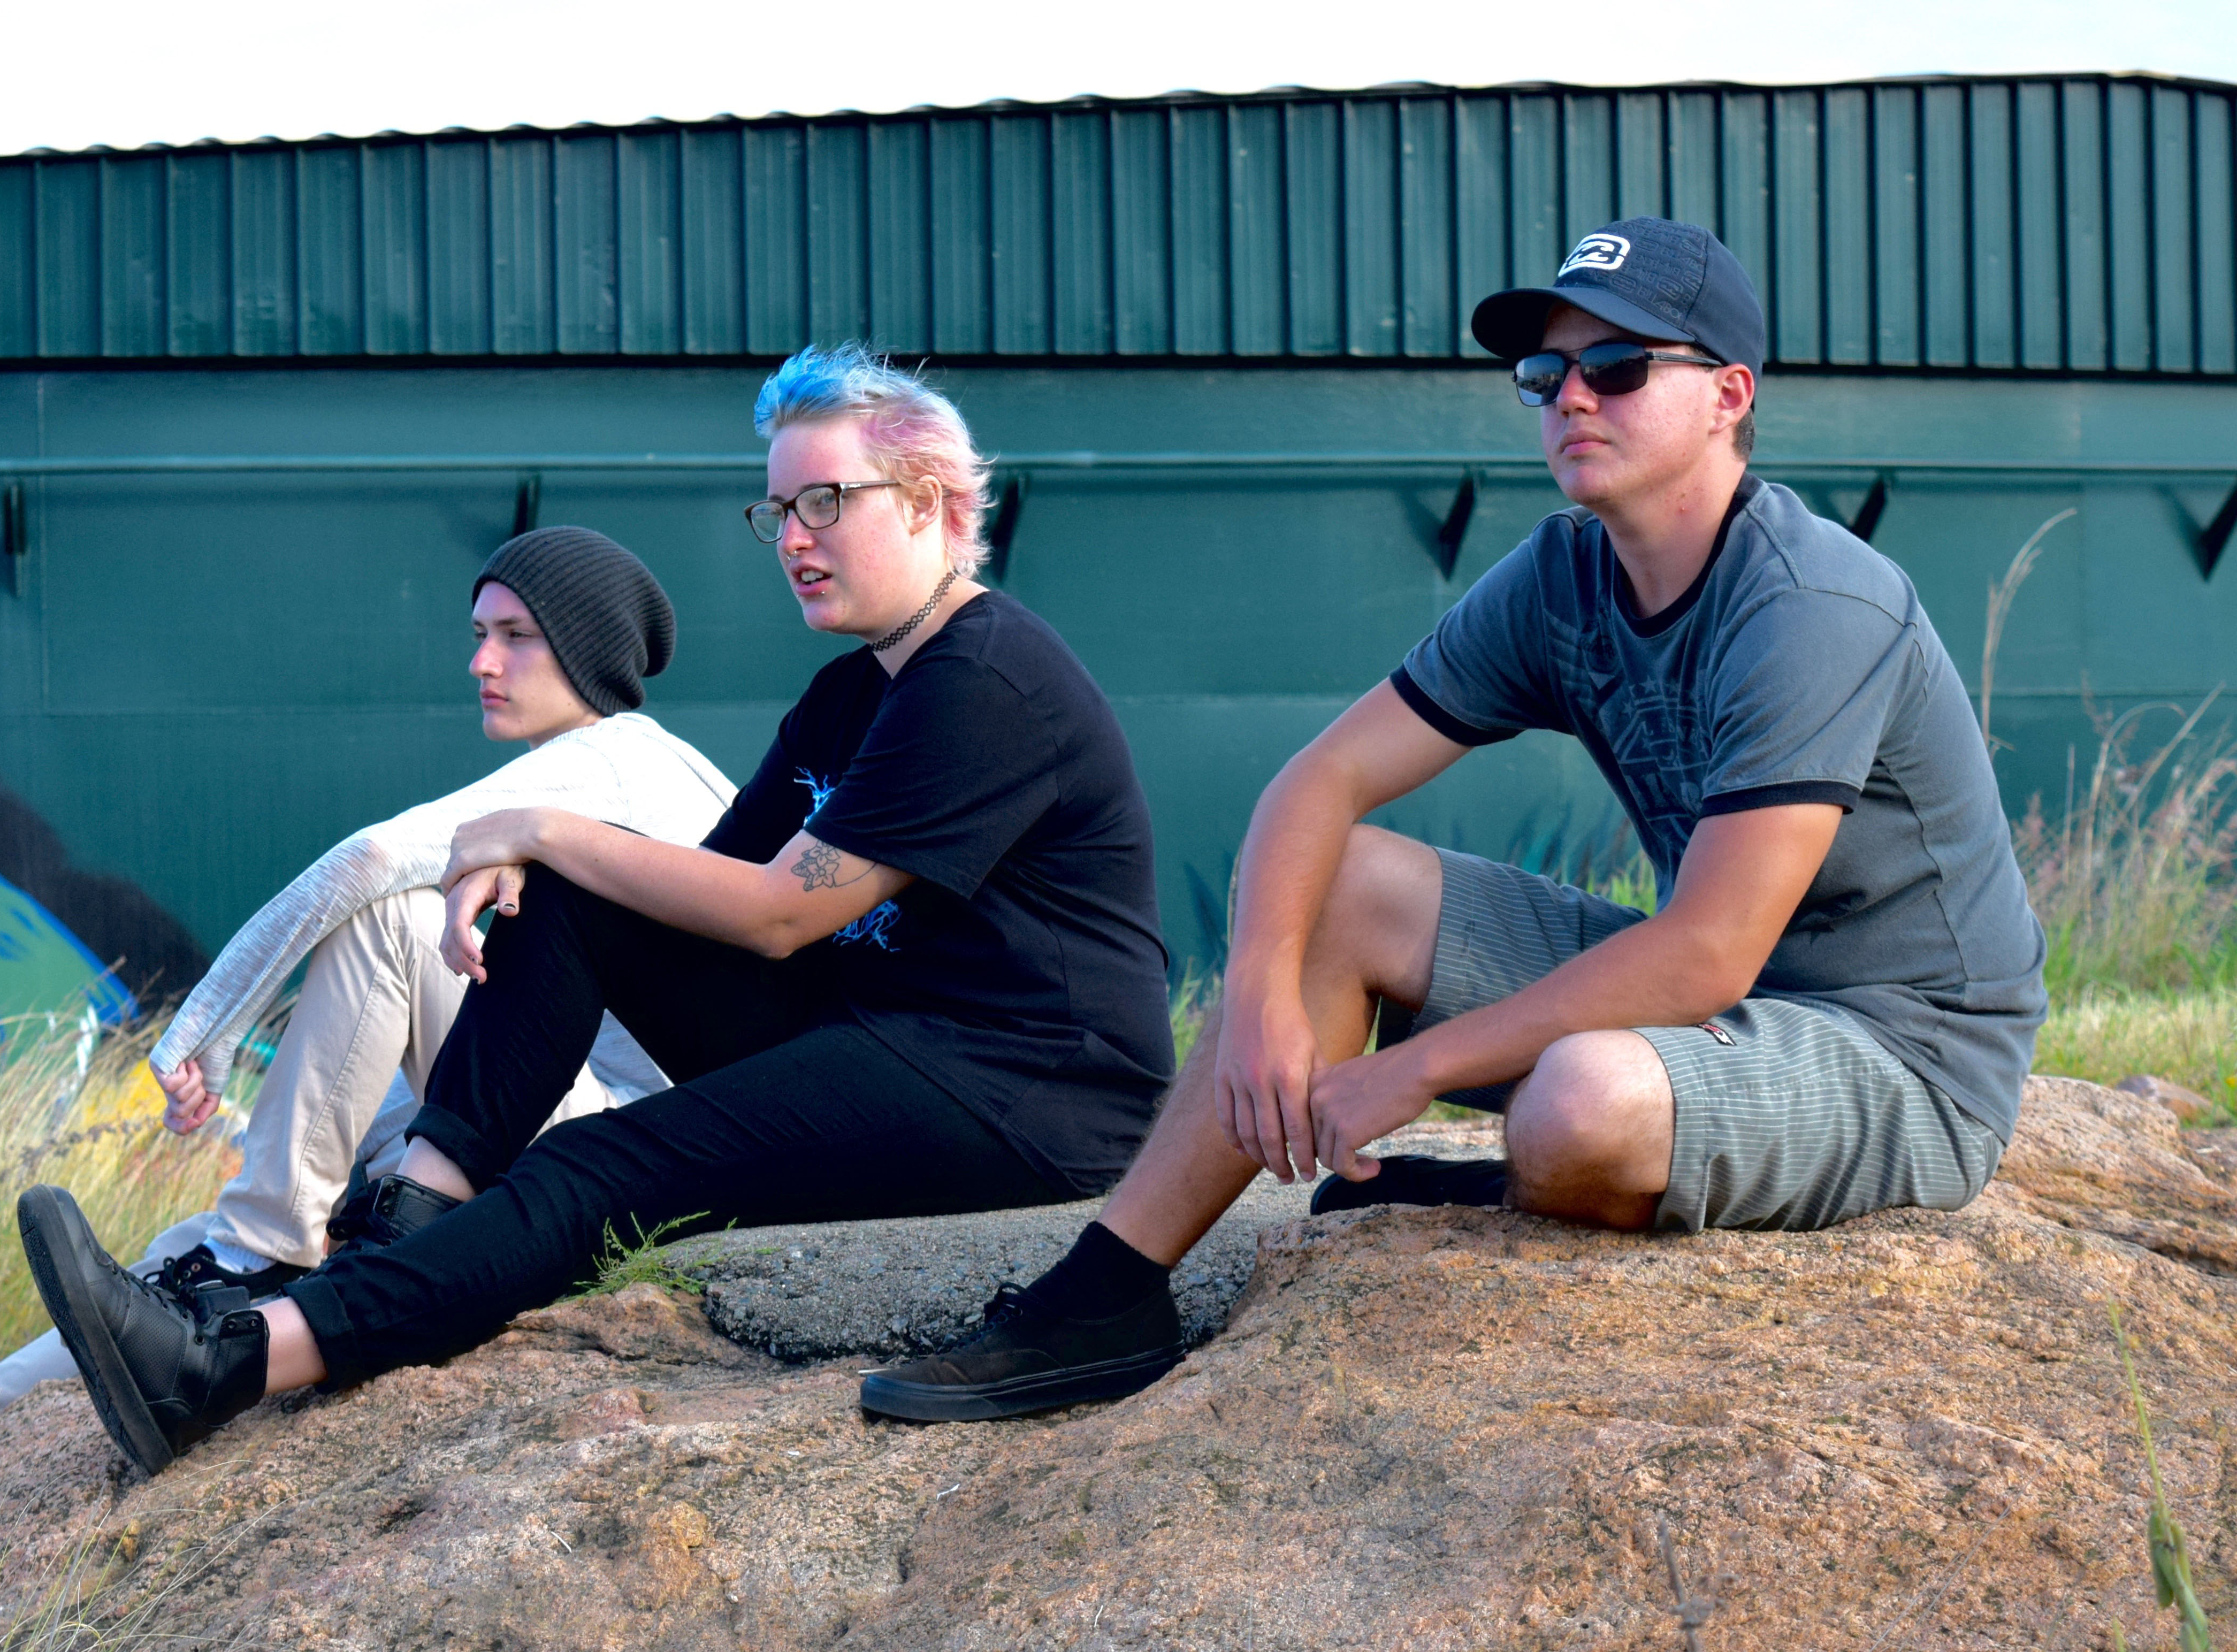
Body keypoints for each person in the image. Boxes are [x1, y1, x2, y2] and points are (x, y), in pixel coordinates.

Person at [861, 216, 2050, 1424]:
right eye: (1546, 375)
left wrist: (1409, 1072)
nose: (1571, 397)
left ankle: (1480, 1183)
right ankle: (1106, 1291)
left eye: (1619, 368)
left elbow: (1708, 949)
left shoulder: (1811, 603)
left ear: (1729, 395)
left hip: (1906, 1050)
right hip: (1730, 1012)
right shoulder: (1565, 575)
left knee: (1583, 1103)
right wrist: (1268, 985)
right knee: (1342, 887)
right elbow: (1317, 784)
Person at [17, 343, 1179, 1479]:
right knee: (572, 901)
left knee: (597, 1163)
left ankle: (224, 1365)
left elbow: (778, 913)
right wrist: (549, 876)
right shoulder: (851, 692)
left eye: (823, 501)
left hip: (1028, 1090)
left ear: (926, 501)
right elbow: (690, 898)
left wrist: (538, 827)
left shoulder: (985, 680)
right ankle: (421, 1213)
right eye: (774, 512)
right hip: (885, 1034)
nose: (792, 539)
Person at [0, 526, 738, 1507]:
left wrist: (205, 1027)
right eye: (478, 635)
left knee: (398, 922)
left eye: (515, 636)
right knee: (190, 1261)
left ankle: (257, 1248)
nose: (481, 662)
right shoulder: (632, 773)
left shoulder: (612, 760)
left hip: (620, 1167)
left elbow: (369, 863)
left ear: (587, 651)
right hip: (567, 1135)